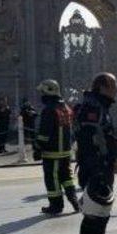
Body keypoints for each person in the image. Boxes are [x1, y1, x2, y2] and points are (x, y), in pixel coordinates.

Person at [74, 72, 117, 234]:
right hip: (95, 167)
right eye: (113, 85)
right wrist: (96, 168)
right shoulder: (92, 107)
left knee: (102, 212)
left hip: (102, 165)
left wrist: (116, 146)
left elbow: (103, 135)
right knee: (92, 215)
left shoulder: (101, 106)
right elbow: (88, 140)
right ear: (103, 87)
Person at [33, 79, 79, 216]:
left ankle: (56, 205)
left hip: (51, 152)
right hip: (65, 151)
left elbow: (44, 133)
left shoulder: (49, 110)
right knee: (66, 177)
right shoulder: (66, 107)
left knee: (52, 178)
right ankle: (75, 201)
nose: (41, 95)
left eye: (42, 92)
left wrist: (37, 147)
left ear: (48, 92)